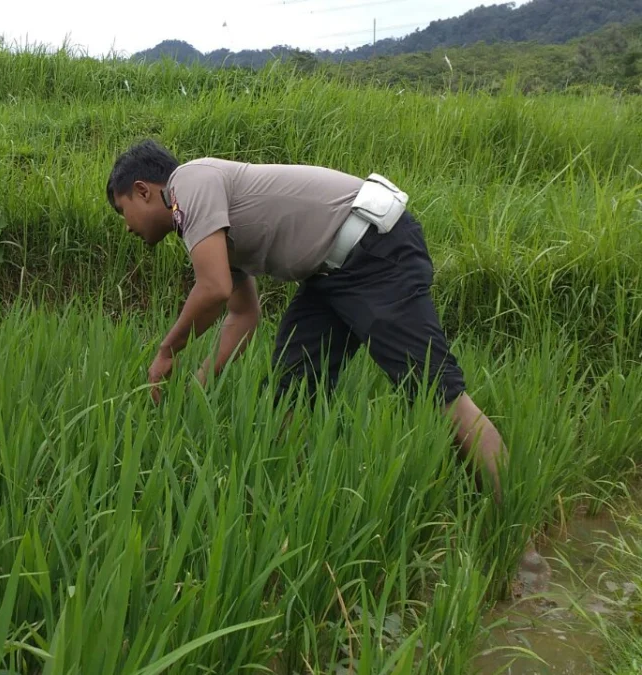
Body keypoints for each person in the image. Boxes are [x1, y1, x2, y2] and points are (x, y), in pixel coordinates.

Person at [105, 139, 506, 502]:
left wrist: (166, 352)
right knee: (293, 390)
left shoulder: (189, 182)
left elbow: (213, 290)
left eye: (124, 212)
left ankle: (512, 528)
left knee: (437, 390)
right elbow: (243, 315)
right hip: (330, 273)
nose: (126, 227)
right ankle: (287, 502)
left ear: (143, 190)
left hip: (376, 251)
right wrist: (199, 386)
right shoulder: (205, 221)